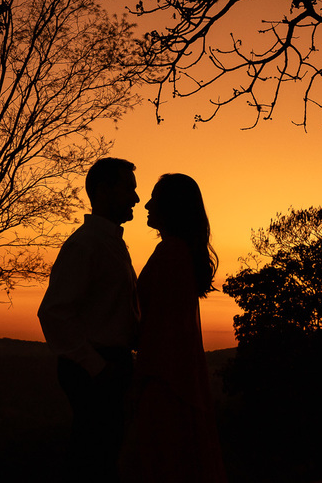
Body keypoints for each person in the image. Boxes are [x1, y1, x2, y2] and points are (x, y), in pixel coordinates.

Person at [38, 157, 141, 483]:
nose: (136, 198)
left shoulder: (111, 243)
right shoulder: (86, 245)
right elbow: (54, 312)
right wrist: (97, 367)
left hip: (110, 365)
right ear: (103, 190)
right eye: (129, 189)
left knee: (105, 456)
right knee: (94, 459)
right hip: (95, 369)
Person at [125, 173, 227, 483]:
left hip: (164, 381)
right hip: (170, 377)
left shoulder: (171, 253)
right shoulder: (177, 252)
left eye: (154, 198)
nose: (146, 205)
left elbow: (162, 327)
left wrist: (141, 381)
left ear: (172, 206)